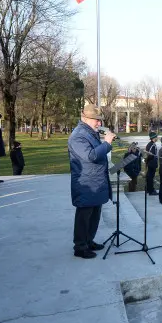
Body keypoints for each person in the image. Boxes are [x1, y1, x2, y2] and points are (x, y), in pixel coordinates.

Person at [68, 104, 115, 259]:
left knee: (95, 214)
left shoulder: (90, 132)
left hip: (96, 182)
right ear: (85, 118)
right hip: (86, 183)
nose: (99, 123)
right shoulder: (78, 135)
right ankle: (80, 247)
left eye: (100, 120)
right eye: (97, 120)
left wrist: (104, 143)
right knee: (84, 216)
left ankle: (89, 241)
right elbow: (91, 156)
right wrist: (107, 144)